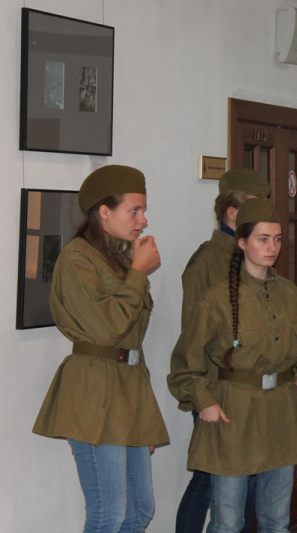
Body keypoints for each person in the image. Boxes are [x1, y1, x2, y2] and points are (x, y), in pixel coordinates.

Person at [168, 198, 297, 533]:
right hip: (234, 413)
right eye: (262, 239)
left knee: (276, 521)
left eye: (277, 239)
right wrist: (204, 400)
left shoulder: (291, 294)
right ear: (241, 242)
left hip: (281, 413)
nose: (272, 247)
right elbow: (185, 363)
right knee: (228, 522)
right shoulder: (217, 297)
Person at [33, 165, 169, 533]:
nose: (143, 220)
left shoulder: (120, 258)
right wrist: (138, 272)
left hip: (129, 388)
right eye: (134, 210)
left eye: (143, 210)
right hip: (93, 390)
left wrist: (144, 417)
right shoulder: (78, 258)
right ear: (104, 212)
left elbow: (131, 339)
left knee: (139, 511)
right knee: (108, 514)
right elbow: (108, 330)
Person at [175, 167, 270, 533]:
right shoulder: (207, 261)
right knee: (208, 478)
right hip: (216, 388)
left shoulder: (257, 256)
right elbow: (193, 336)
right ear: (233, 213)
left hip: (251, 389)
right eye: (255, 206)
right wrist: (204, 397)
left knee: (250, 478)